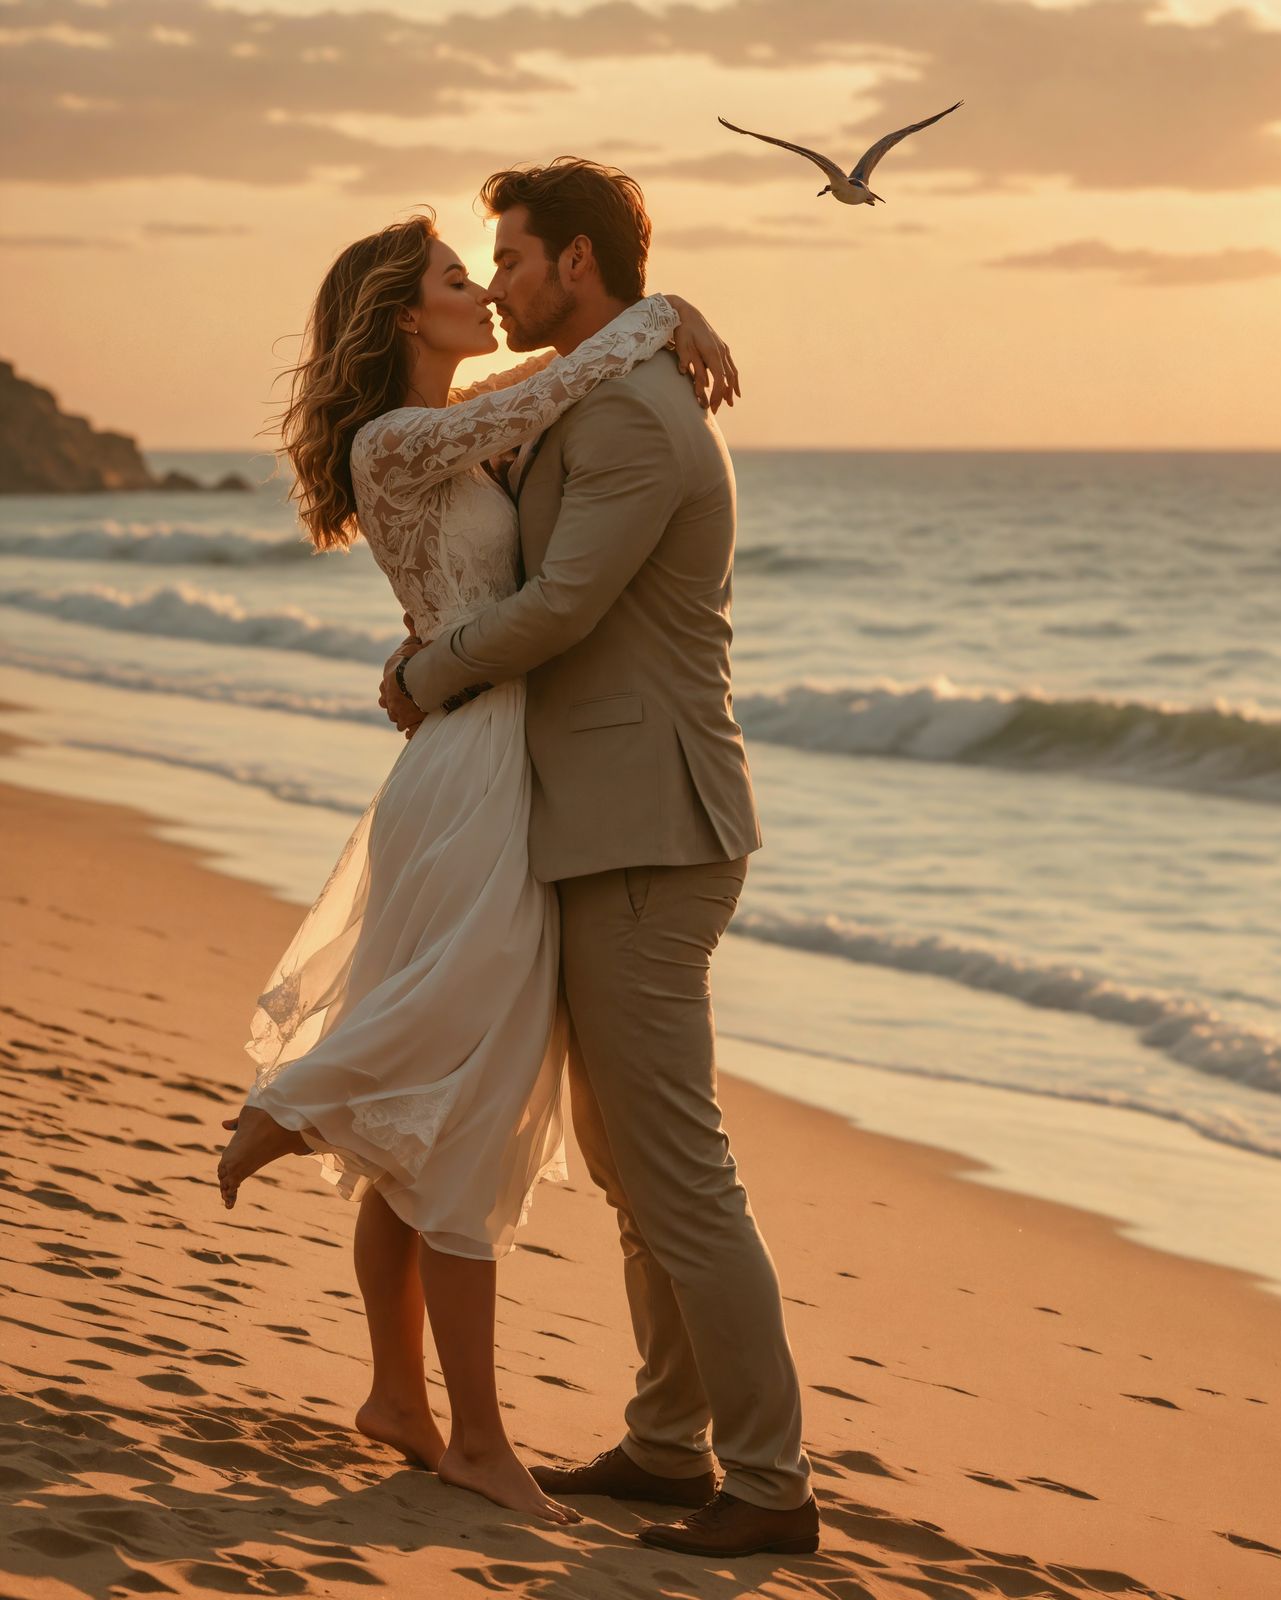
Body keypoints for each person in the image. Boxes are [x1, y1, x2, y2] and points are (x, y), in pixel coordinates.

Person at [215, 205, 737, 1527]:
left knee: (451, 1098)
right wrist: (666, 315)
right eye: (460, 275)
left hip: (486, 762)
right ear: (403, 313)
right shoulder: (399, 437)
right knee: (474, 1085)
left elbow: (549, 380)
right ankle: (479, 1431)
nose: (485, 291)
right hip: (472, 772)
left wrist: (658, 322)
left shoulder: (455, 415)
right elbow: (568, 378)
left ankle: (401, 1397)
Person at [381, 159, 819, 1558]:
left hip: (650, 823)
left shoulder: (630, 411)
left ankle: (768, 1484)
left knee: (677, 1168)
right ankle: (665, 1444)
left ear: (577, 263)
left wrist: (428, 672)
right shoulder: (598, 382)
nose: (497, 280)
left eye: (510, 256)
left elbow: (565, 607)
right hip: (606, 817)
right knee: (638, 1163)